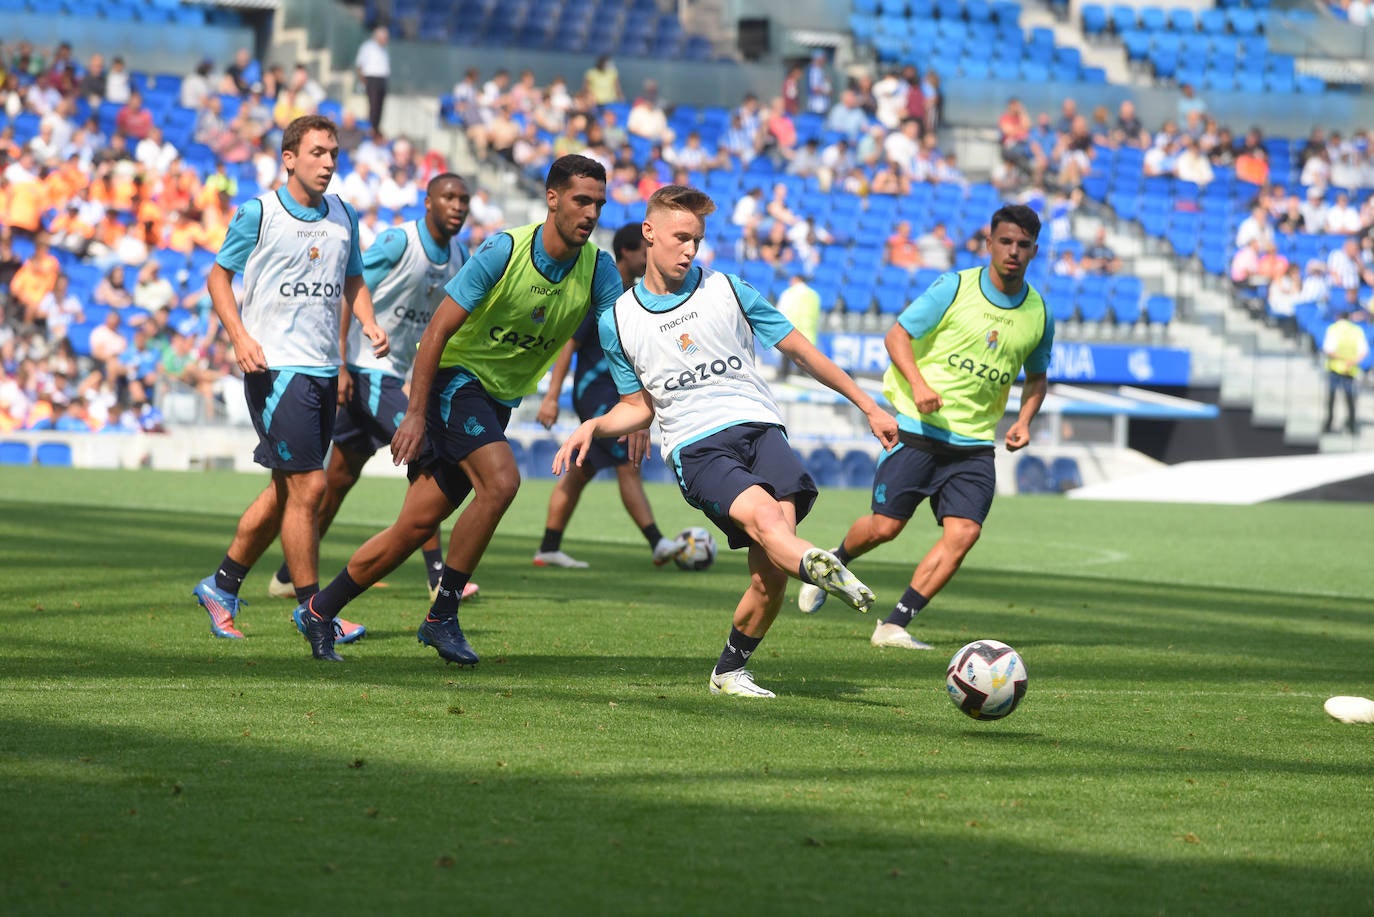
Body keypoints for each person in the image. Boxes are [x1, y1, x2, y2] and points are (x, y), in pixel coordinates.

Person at [553, 184, 900, 698]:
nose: (690, 250)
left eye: (697, 239)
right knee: (767, 523)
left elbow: (803, 352)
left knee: (770, 573)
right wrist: (594, 425)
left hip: (761, 427)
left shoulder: (729, 289)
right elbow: (638, 406)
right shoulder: (618, 321)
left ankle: (730, 670)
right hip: (697, 446)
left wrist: (868, 403)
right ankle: (820, 566)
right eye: (680, 238)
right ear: (649, 233)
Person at [292, 154, 622, 664]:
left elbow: (617, 341)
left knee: (414, 528)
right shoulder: (503, 251)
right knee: (502, 483)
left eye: (599, 203)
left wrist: (631, 399)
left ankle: (319, 610)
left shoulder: (599, 269)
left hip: (496, 400)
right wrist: (417, 412)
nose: (591, 213)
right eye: (582, 200)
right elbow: (437, 332)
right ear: (552, 199)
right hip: (455, 383)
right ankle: (442, 617)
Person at [797, 204, 1055, 651]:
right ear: (989, 243)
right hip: (918, 428)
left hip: (974, 443)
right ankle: (834, 561)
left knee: (965, 534)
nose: (1014, 251)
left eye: (1024, 245)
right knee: (884, 528)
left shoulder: (1039, 314)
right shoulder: (955, 287)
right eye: (1006, 242)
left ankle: (893, 624)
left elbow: (1037, 376)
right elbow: (896, 335)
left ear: (1035, 250)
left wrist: (1024, 420)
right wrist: (917, 384)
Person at [191, 115, 390, 641]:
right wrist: (238, 336)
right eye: (318, 153)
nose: (328, 163)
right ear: (289, 158)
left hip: (323, 370)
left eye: (333, 154)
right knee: (311, 485)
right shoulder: (259, 213)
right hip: (276, 369)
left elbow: (355, 280)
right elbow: (217, 277)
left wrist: (367, 321)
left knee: (288, 490)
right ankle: (313, 610)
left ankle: (222, 585)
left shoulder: (343, 213)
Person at [266, 173, 482, 610]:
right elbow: (352, 290)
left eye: (464, 199)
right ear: (427, 202)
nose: (458, 206)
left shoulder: (460, 254)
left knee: (338, 480)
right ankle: (437, 575)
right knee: (425, 448)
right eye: (449, 198)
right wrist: (342, 362)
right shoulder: (398, 242)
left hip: (397, 374)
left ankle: (288, 575)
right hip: (368, 369)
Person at [532, 222, 687, 569]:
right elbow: (569, 344)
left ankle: (548, 547)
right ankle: (658, 542)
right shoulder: (603, 293)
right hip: (597, 394)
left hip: (616, 395)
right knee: (628, 463)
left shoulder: (636, 297)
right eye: (645, 250)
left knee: (581, 472)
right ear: (630, 252)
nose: (651, 257)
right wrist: (552, 396)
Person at [1322, 309, 1368, 435]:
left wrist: (1342, 359)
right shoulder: (1357, 331)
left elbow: (1328, 350)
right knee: (1350, 400)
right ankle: (1352, 426)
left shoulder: (1333, 329)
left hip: (1335, 369)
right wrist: (1350, 361)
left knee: (1332, 398)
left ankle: (1328, 425)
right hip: (1350, 369)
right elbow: (1363, 352)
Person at [354, 26, 390, 137]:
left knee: (380, 106)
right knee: (373, 105)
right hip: (372, 79)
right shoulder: (367, 47)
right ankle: (371, 128)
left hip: (382, 79)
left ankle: (376, 127)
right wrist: (364, 81)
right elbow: (360, 65)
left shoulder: (384, 50)